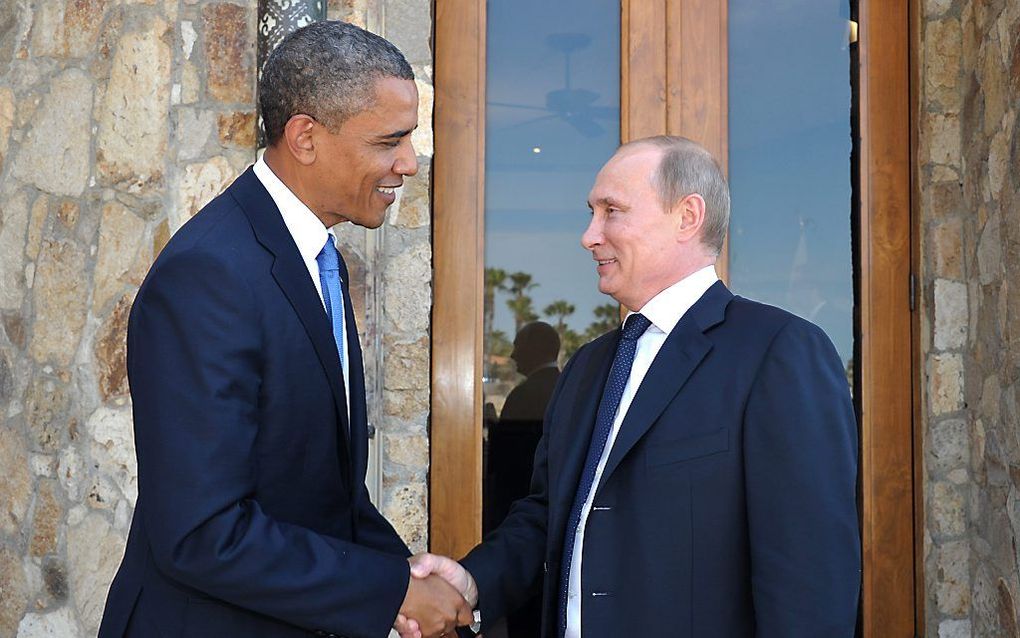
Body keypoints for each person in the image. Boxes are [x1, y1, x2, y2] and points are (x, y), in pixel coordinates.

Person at [98, 21, 471, 638]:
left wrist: (403, 575)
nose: (408, 162)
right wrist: (391, 590)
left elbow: (318, 496)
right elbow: (202, 532)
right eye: (390, 140)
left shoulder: (310, 258)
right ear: (305, 137)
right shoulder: (210, 274)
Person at [409, 136, 861, 637]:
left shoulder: (778, 352)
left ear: (687, 216)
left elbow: (809, 575)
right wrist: (474, 581)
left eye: (612, 211)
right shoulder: (587, 367)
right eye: (591, 212)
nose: (589, 235)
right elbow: (548, 515)